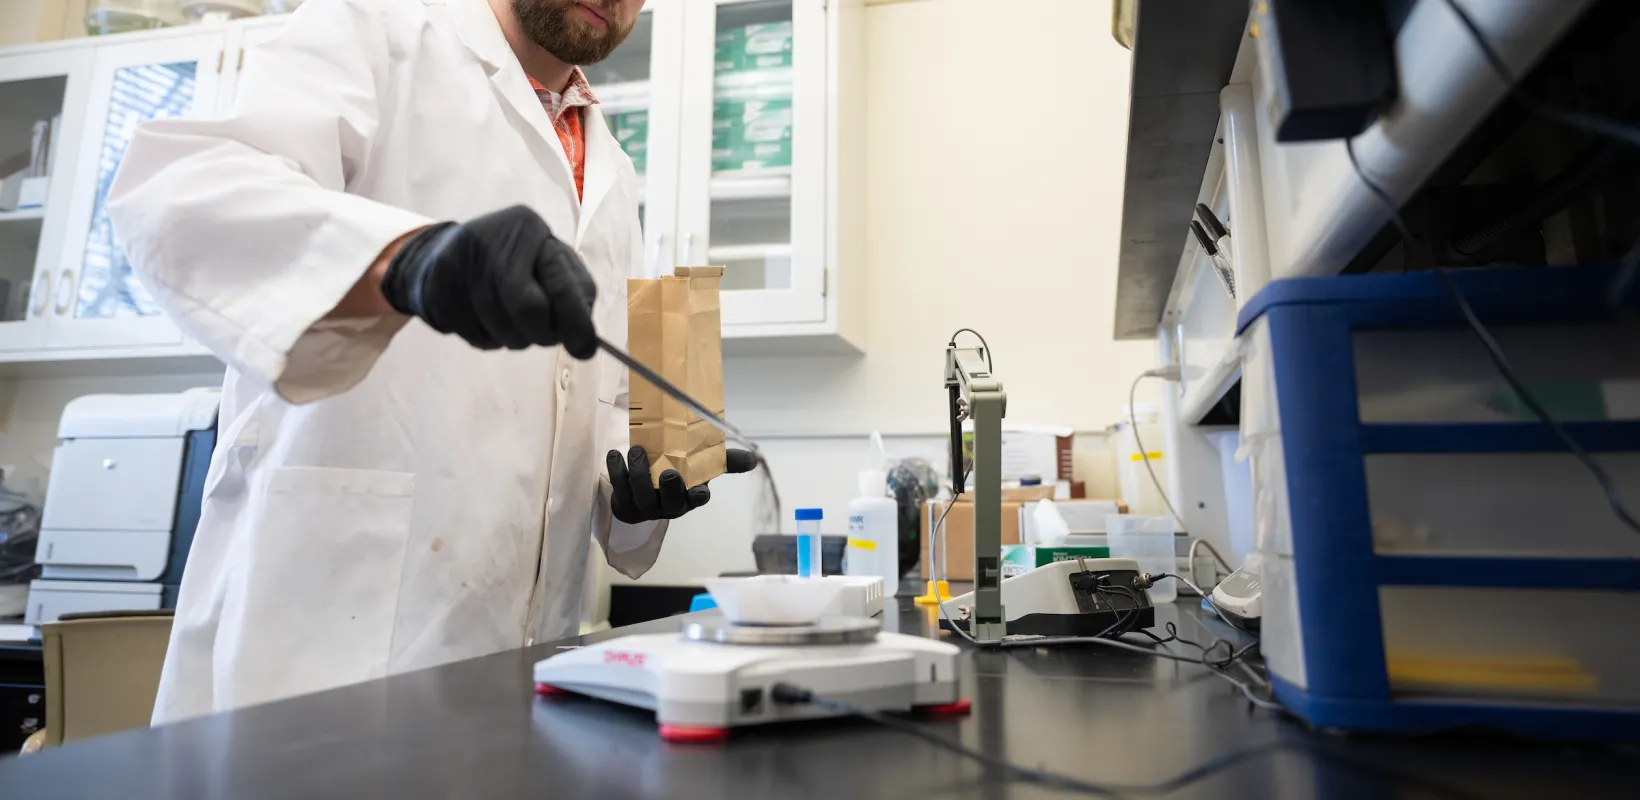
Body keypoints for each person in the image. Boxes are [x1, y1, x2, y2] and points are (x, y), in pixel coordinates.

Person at [107, 0, 754, 724]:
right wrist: (404, 259)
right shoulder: (375, 28)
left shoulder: (616, 173)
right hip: (320, 665)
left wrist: (640, 498)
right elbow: (177, 191)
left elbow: (595, 412)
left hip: (526, 676)